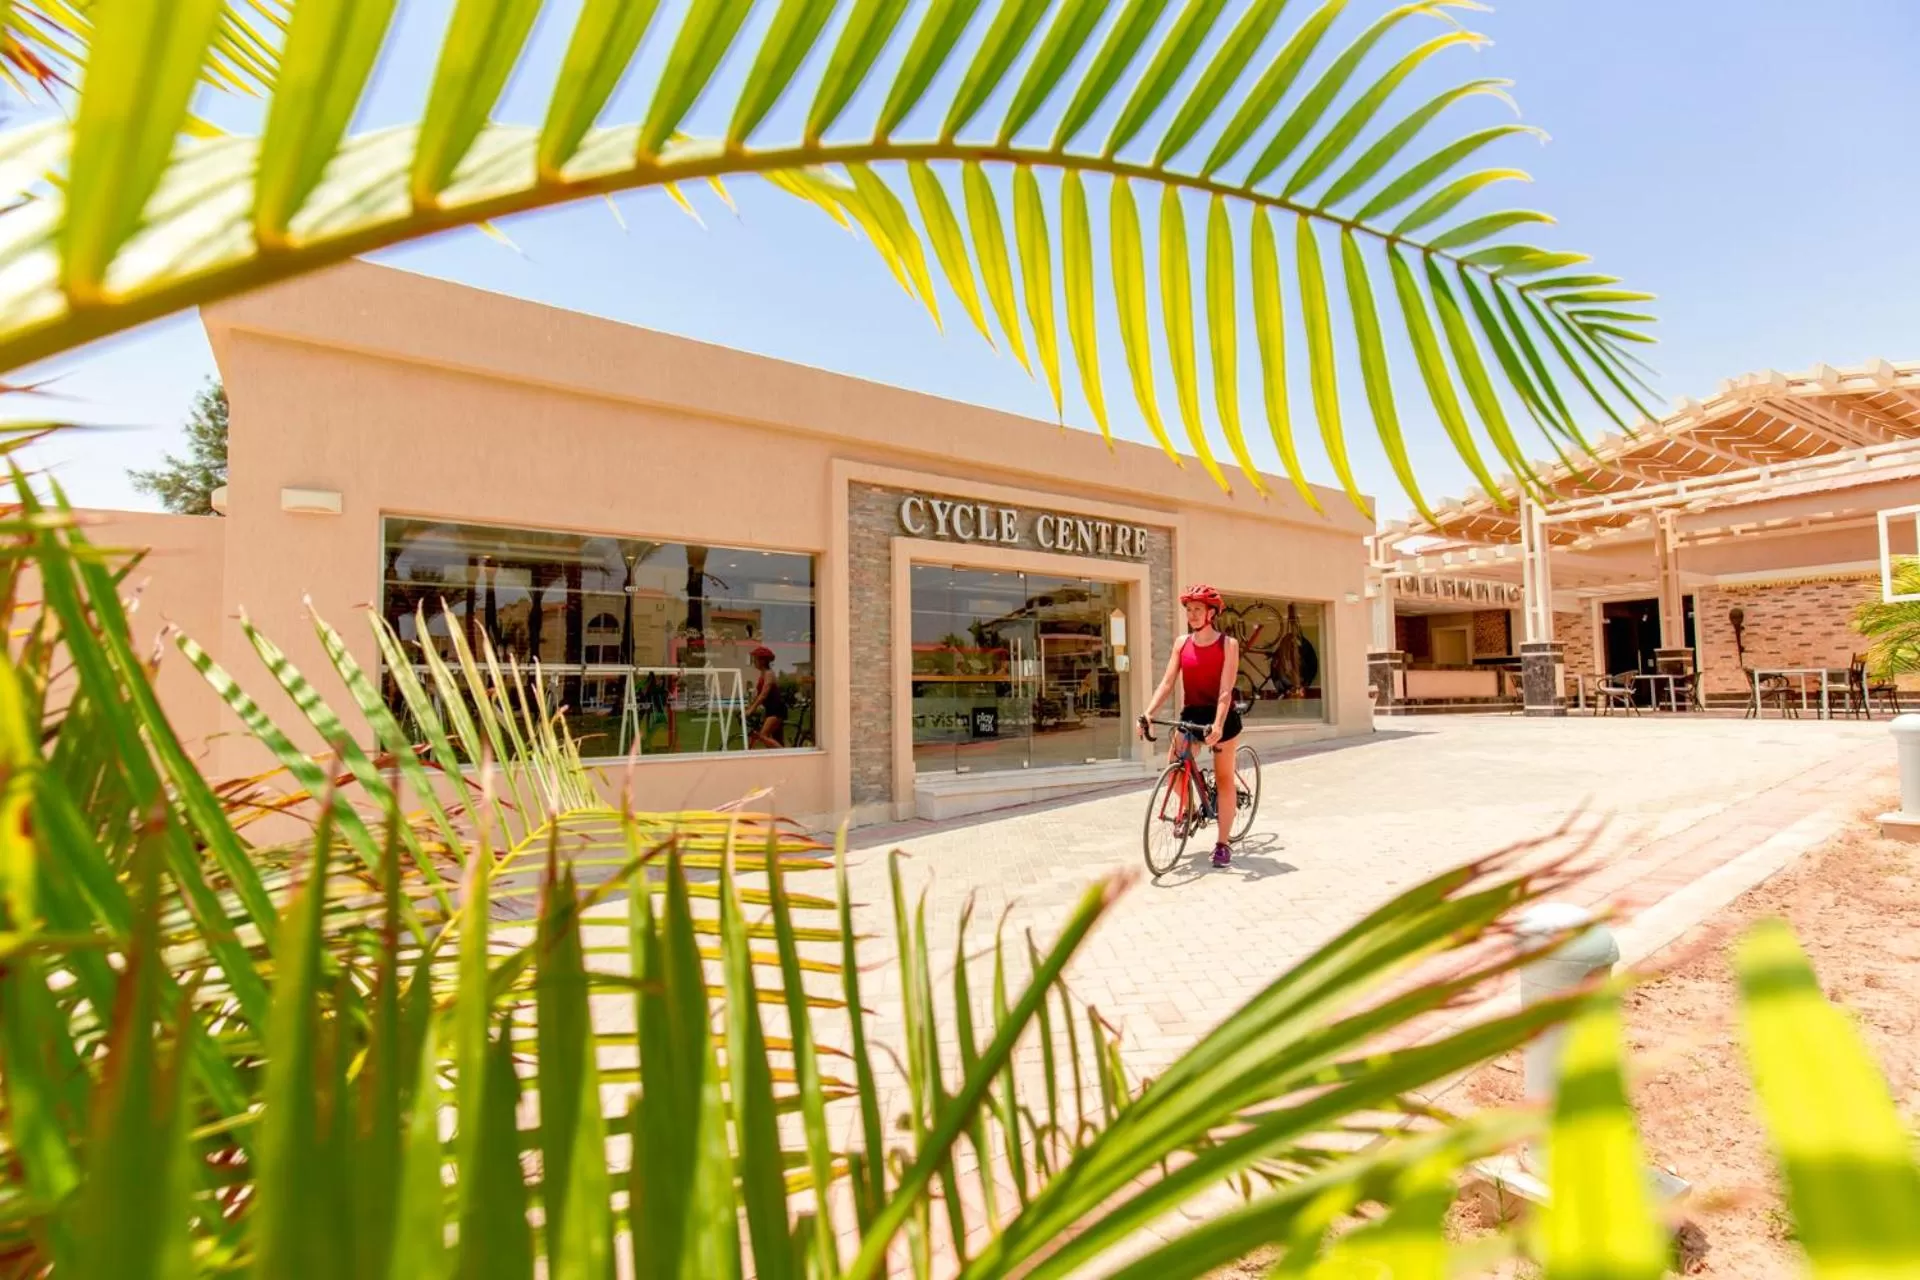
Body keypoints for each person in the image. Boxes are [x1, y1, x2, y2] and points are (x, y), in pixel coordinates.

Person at [1139, 584, 1242, 867]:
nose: (1192, 614)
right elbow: (1167, 682)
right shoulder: (1181, 643)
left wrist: (1218, 724)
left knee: (1224, 779)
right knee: (1174, 769)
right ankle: (1190, 809)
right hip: (1192, 715)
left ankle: (1222, 844)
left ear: (1212, 613)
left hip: (1221, 716)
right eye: (1189, 610)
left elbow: (1226, 689)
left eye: (1198, 609)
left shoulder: (1228, 644)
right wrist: (1148, 713)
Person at [746, 646, 788, 749]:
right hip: (770, 710)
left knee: (763, 736)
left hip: (776, 710)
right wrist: (749, 706)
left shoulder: (769, 674)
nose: (754, 662)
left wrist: (752, 709)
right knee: (777, 741)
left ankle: (789, 756)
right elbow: (758, 695)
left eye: (755, 659)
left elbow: (764, 694)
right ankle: (779, 757)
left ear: (763, 661)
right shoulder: (762, 674)